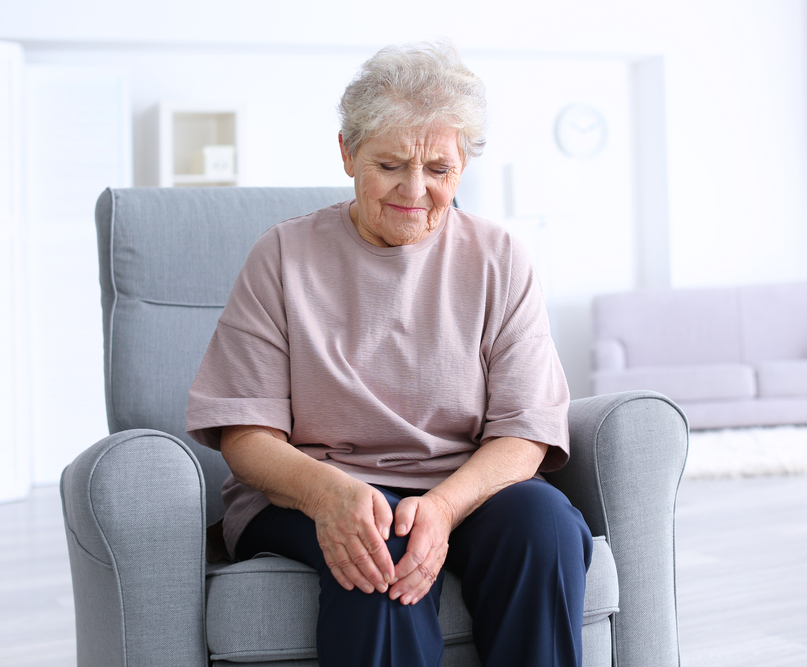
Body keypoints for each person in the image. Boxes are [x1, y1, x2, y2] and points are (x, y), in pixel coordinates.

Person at [185, 41, 592, 667]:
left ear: (463, 165)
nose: (416, 189)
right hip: (316, 484)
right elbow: (246, 435)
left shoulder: (499, 258)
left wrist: (444, 507)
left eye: (439, 169)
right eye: (391, 164)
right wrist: (330, 496)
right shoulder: (282, 257)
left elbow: (525, 433)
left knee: (548, 524)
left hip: (459, 485)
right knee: (375, 553)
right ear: (347, 152)